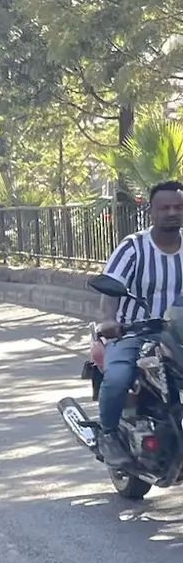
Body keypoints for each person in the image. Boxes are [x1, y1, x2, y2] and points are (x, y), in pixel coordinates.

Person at [94, 180, 183, 471]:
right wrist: (108, 320)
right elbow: (110, 290)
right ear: (151, 212)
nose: (172, 212)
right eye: (165, 207)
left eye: (178, 207)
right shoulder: (134, 247)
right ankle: (107, 436)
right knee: (118, 377)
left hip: (177, 334)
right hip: (134, 332)